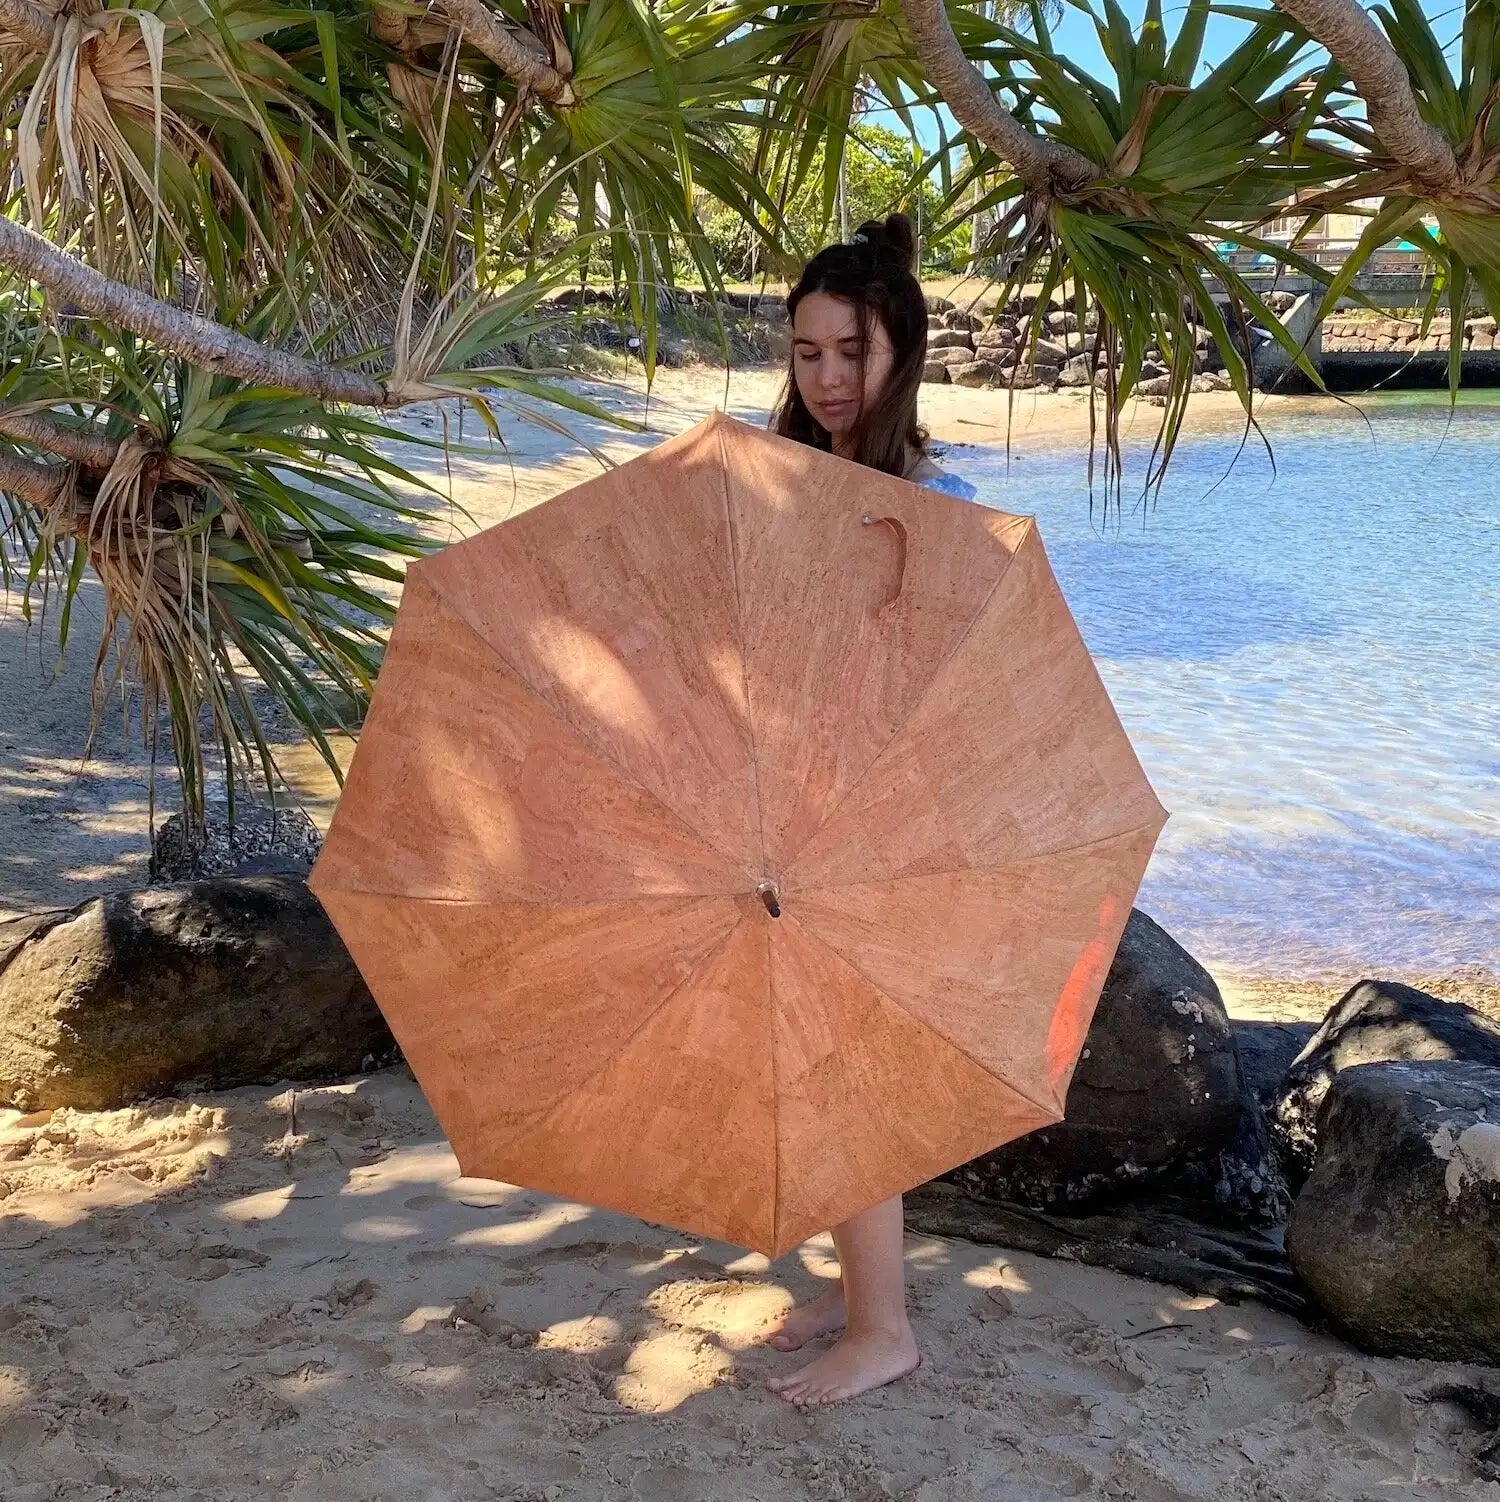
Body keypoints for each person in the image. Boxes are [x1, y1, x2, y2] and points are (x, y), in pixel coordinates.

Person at [762, 212, 974, 1408]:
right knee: (811, 1059)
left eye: (854, 352)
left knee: (843, 1067)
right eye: (808, 353)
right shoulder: (780, 474)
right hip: (795, 803)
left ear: (903, 353)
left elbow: (960, 681)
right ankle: (861, 1291)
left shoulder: (934, 498)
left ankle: (884, 1325)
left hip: (882, 825)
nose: (831, 378)